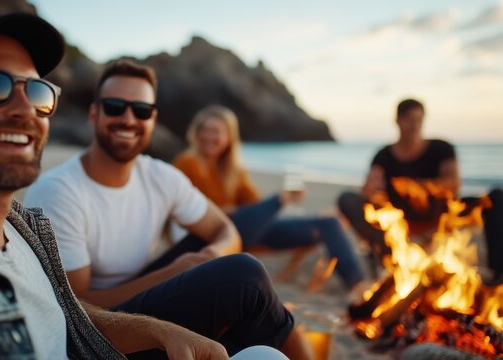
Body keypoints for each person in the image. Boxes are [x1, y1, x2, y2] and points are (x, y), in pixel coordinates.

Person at [0, 14, 280, 359]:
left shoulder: (20, 225)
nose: (25, 110)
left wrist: (158, 331)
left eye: (37, 91)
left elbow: (66, 311)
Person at [25, 60, 313, 360]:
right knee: (246, 274)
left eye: (141, 110)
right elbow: (73, 305)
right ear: (94, 113)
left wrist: (211, 256)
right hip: (97, 329)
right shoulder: (60, 190)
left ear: (153, 119)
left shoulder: (160, 176)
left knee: (251, 333)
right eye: (114, 106)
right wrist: (174, 272)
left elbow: (224, 229)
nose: (128, 119)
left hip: (146, 296)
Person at [172, 105, 365, 289]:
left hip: (248, 230)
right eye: (204, 130)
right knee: (272, 204)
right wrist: (223, 211)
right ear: (195, 133)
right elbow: (180, 208)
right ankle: (281, 199)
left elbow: (255, 208)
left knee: (328, 223)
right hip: (216, 234)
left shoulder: (234, 171)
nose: (208, 136)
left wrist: (250, 211)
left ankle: (358, 285)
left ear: (229, 137)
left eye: (216, 131)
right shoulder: (187, 163)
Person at [337, 98, 502, 283]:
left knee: (496, 197)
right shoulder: (384, 155)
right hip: (402, 220)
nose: (414, 125)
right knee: (347, 199)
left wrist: (417, 186)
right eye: (409, 119)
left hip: (442, 215)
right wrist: (373, 191)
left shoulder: (441, 148)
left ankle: (499, 272)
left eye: (419, 119)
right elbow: (368, 191)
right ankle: (388, 256)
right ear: (397, 120)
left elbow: (454, 182)